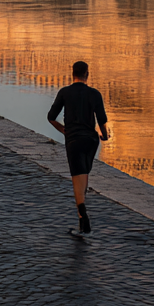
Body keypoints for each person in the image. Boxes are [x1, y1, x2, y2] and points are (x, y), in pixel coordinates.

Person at [48, 60, 109, 236]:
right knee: (84, 173)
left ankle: (82, 216)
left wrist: (63, 130)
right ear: (87, 74)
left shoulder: (65, 92)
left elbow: (51, 117)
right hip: (91, 140)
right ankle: (82, 221)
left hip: (74, 139)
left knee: (77, 176)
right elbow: (102, 120)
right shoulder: (95, 94)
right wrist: (104, 135)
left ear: (72, 74)